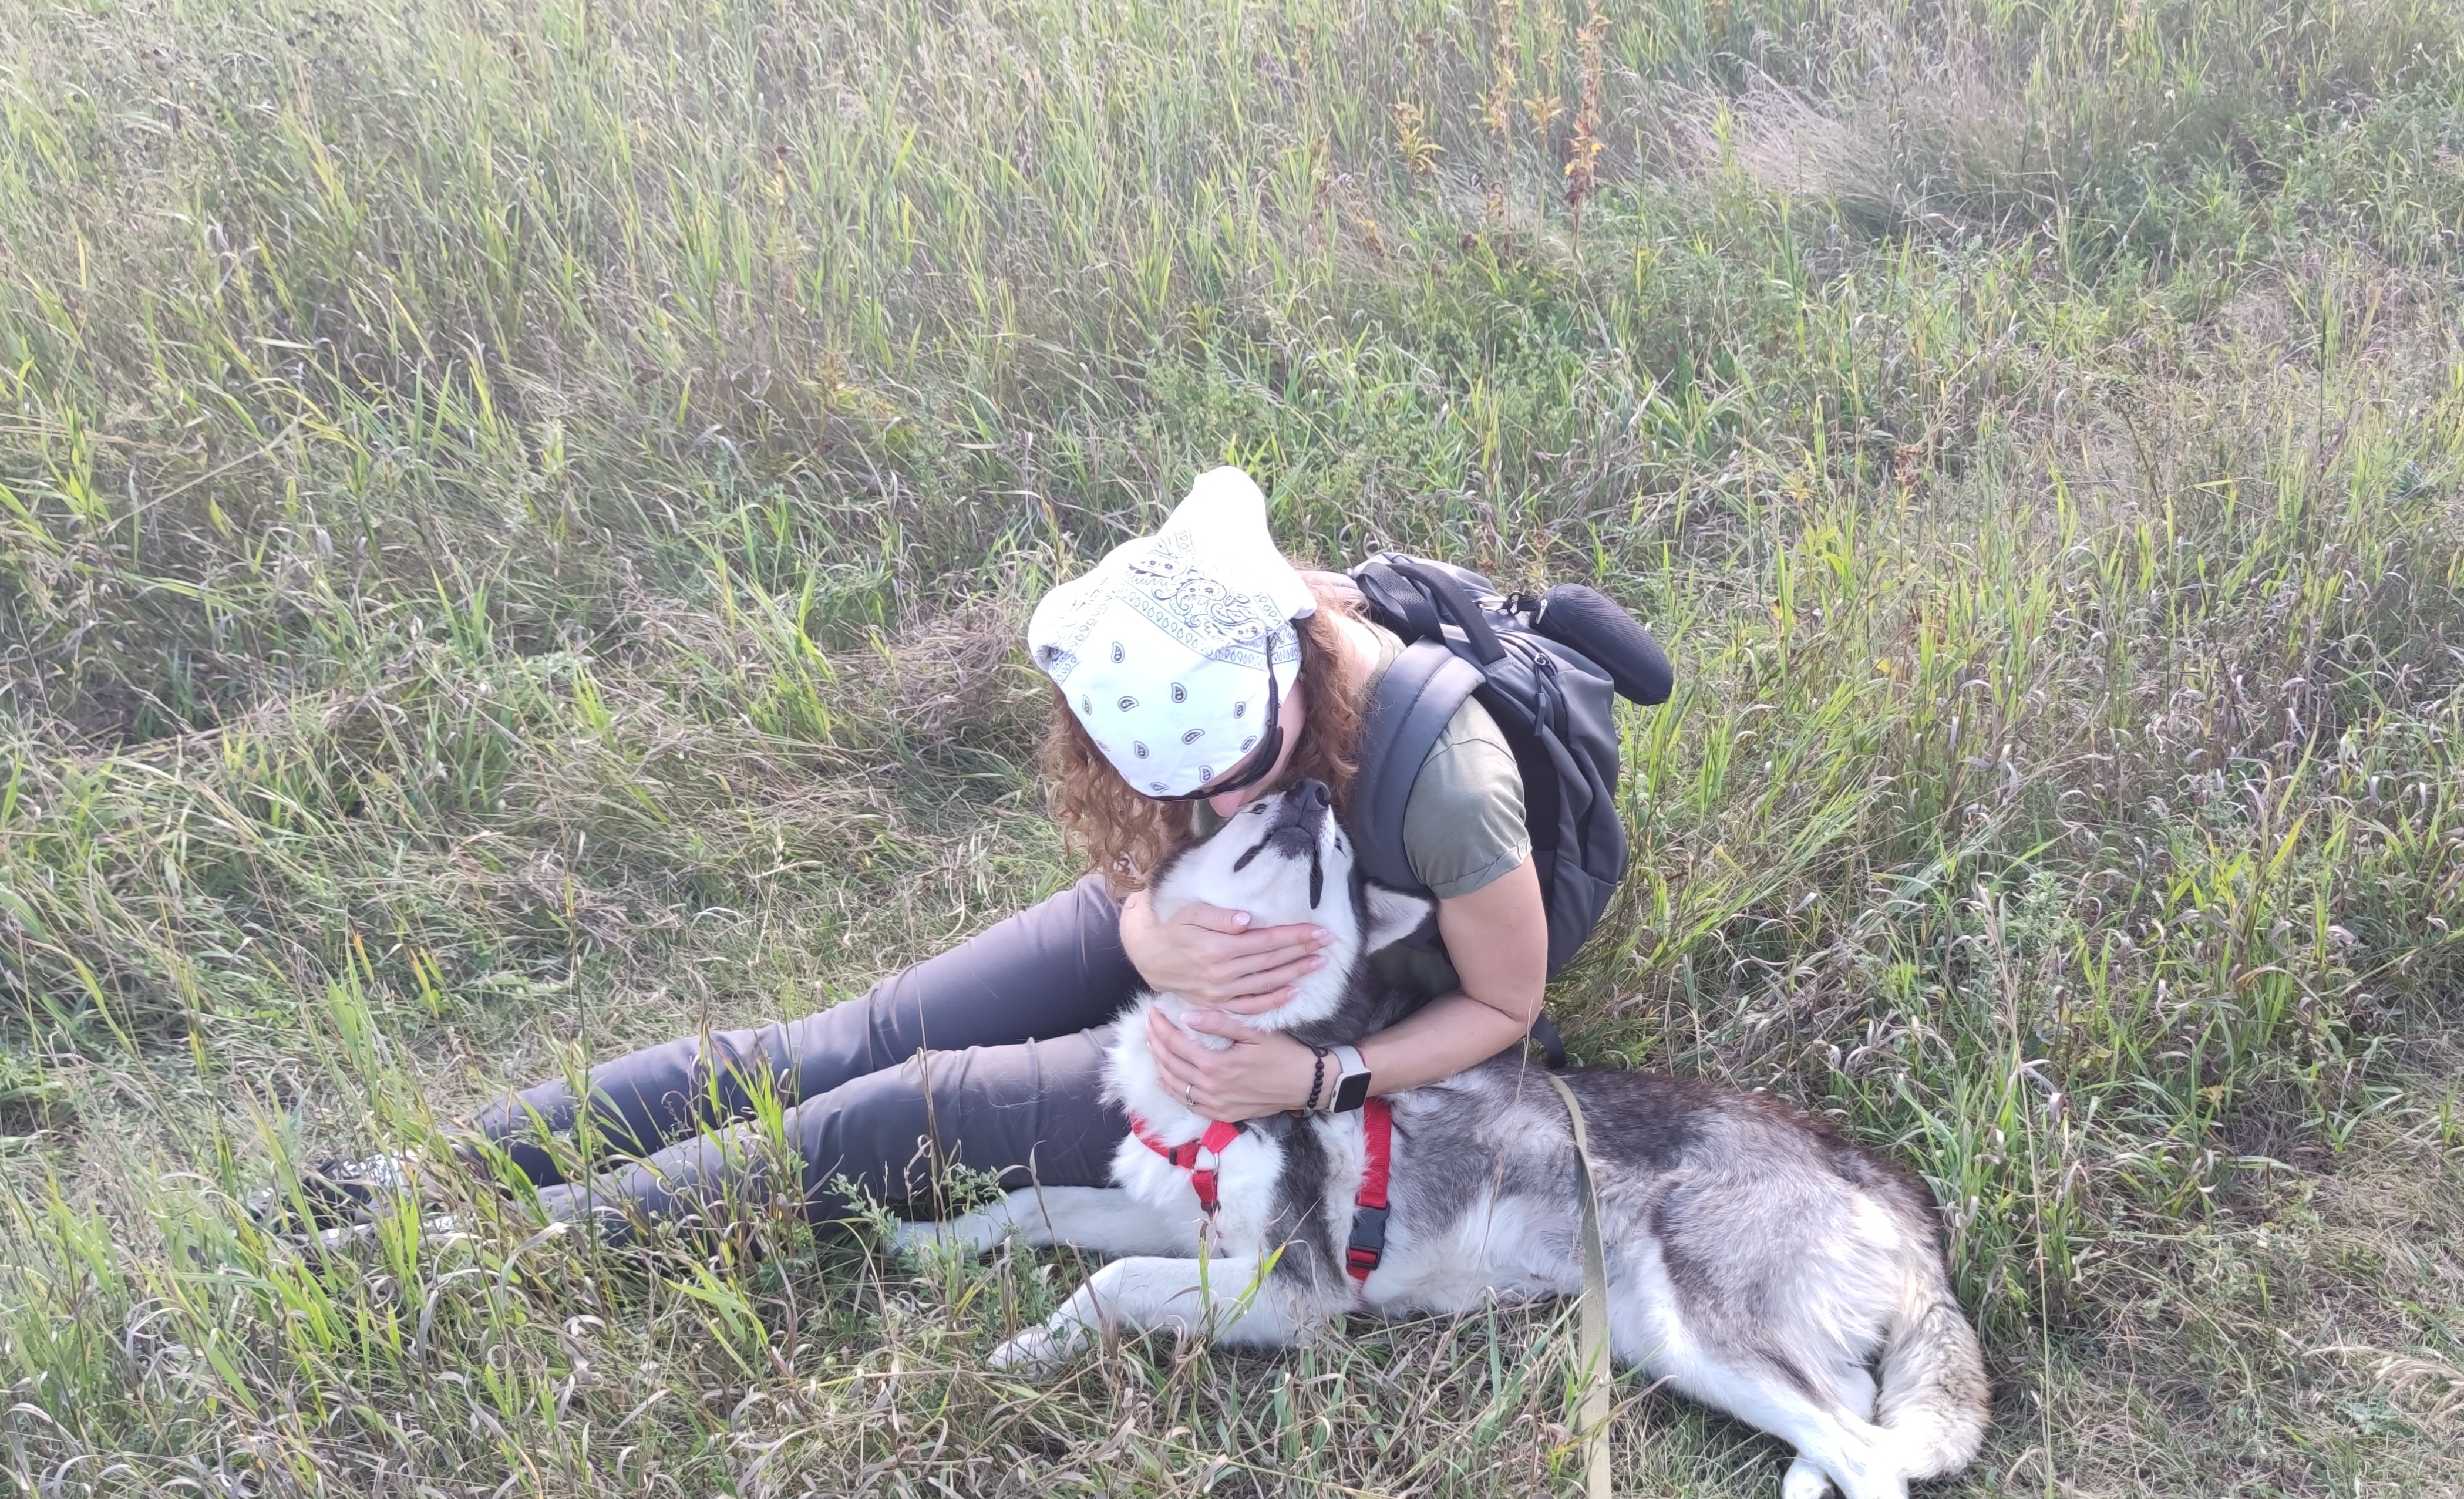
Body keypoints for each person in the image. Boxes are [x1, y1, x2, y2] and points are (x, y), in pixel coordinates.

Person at [296, 469, 1549, 1235]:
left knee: (907, 1114)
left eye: (1240, 772)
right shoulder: (1156, 677)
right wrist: (1146, 930)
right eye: (1177, 789)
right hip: (1180, 936)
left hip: (1321, 1030)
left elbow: (1510, 1000)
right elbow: (1136, 872)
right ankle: (409, 1181)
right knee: (827, 1050)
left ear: (1295, 669)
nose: (1213, 805)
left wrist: (1315, 1085)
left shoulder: (1446, 777)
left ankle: (515, 1247)